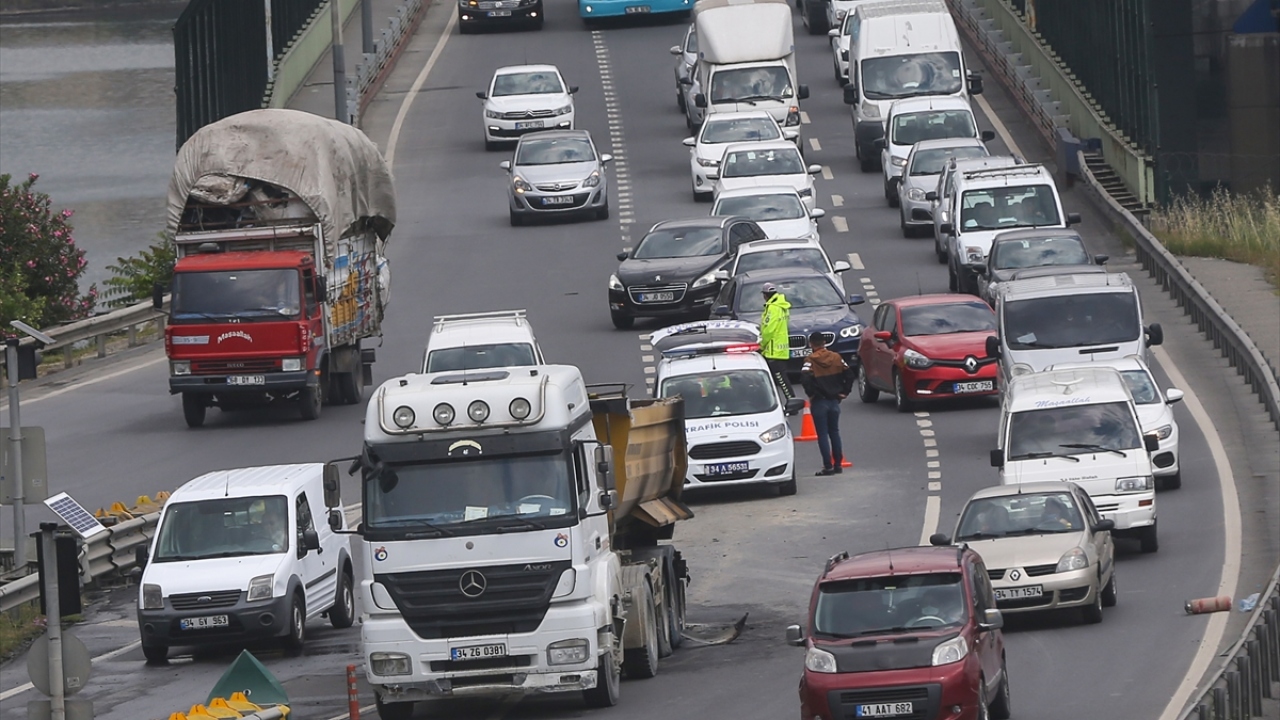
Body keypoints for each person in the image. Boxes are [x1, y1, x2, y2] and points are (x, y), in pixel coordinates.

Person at [801, 331, 853, 476]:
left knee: (822, 434)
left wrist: (812, 394)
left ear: (811, 344)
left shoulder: (810, 360)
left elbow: (805, 378)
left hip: (819, 402)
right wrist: (844, 392)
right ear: (824, 342)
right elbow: (849, 374)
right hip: (834, 401)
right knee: (834, 432)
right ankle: (838, 464)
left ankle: (827, 466)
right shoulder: (836, 357)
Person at [758, 282, 793, 400]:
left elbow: (769, 330)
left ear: (765, 295)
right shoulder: (782, 306)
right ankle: (791, 401)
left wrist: (762, 345)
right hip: (781, 348)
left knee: (779, 379)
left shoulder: (773, 308)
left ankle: (792, 402)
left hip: (773, 350)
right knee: (781, 379)